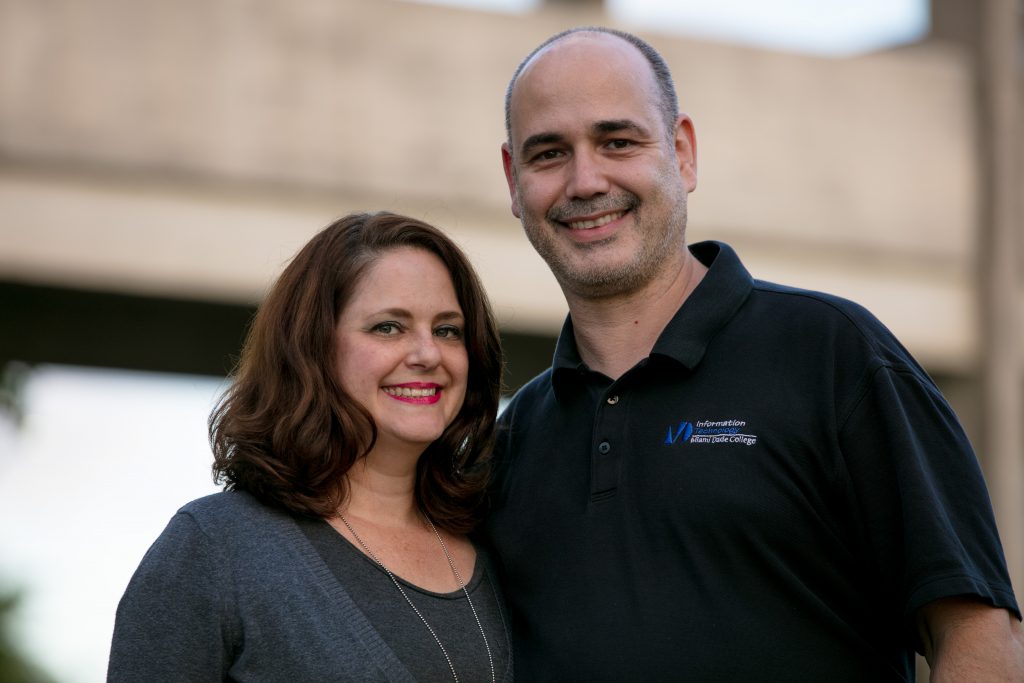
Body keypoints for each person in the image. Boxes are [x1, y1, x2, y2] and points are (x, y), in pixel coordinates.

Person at [482, 26, 1023, 681]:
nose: (585, 179)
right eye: (548, 153)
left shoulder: (834, 357)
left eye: (617, 141)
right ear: (514, 181)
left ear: (682, 153)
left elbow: (979, 636)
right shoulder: (515, 441)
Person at [108, 211, 511, 682]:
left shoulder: (501, 542)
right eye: (388, 327)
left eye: (448, 330)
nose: (428, 354)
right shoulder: (216, 548)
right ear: (312, 347)